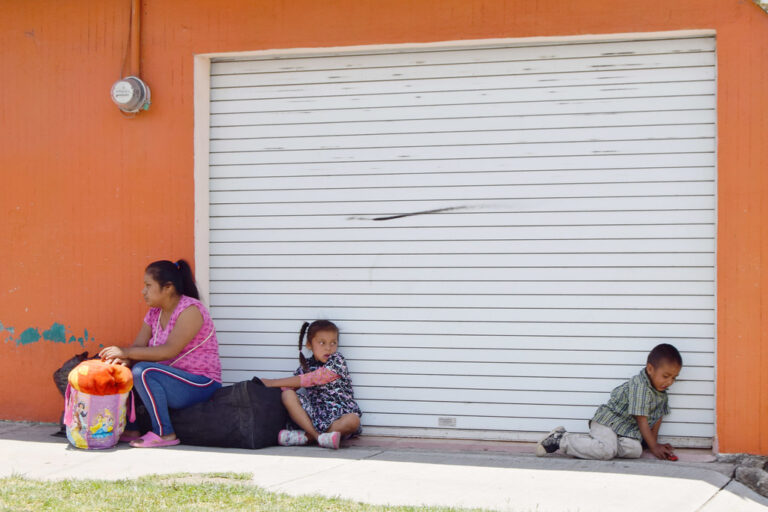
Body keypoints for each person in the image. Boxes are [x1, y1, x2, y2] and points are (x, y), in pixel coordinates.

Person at [99, 259, 222, 448]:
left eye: (148, 285)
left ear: (168, 288)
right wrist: (121, 359)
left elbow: (169, 351)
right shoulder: (153, 314)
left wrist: (125, 351)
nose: (143, 291)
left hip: (200, 383)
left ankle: (164, 433)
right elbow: (138, 348)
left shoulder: (190, 310)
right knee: (124, 368)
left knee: (142, 371)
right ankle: (131, 429)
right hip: (169, 380)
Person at [536, 343, 683, 461]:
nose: (670, 381)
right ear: (650, 369)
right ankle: (561, 439)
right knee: (607, 452)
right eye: (666, 376)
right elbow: (642, 420)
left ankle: (591, 446)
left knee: (635, 449)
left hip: (625, 431)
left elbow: (658, 417)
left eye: (674, 378)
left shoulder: (661, 392)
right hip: (608, 423)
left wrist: (654, 444)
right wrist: (654, 447)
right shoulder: (640, 387)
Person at [261, 320, 362, 450]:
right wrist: (270, 385)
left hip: (340, 416)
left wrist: (273, 382)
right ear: (309, 344)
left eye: (333, 343)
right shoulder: (306, 366)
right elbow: (290, 385)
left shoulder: (337, 360)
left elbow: (315, 378)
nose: (328, 348)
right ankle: (318, 437)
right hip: (315, 415)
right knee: (287, 394)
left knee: (353, 420)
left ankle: (307, 437)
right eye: (322, 343)